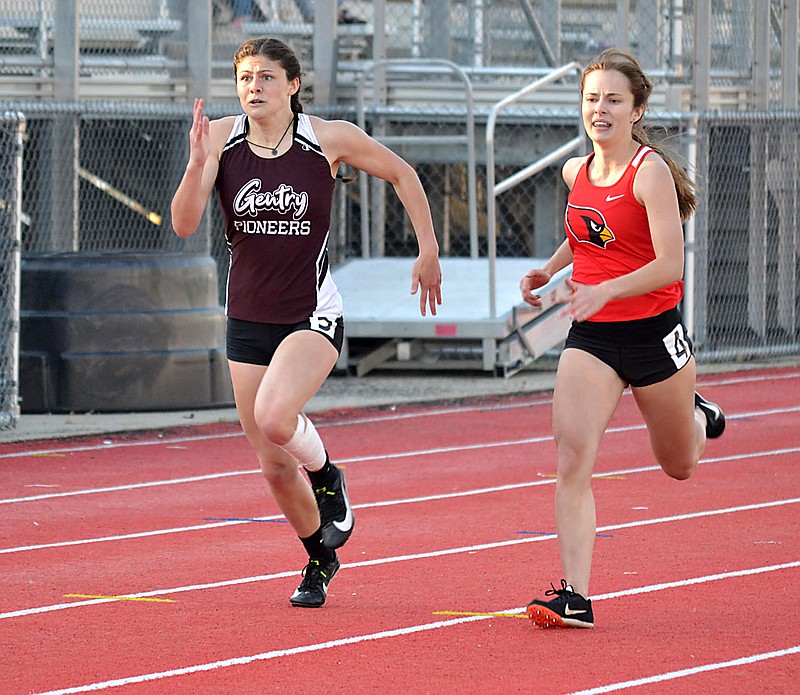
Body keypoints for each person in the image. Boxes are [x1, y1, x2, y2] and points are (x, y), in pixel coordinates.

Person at [171, 37, 442, 608]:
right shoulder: (219, 138)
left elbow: (403, 174)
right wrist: (198, 166)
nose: (254, 88)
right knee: (272, 467)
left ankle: (328, 478)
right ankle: (319, 558)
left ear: (292, 84)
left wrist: (428, 249)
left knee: (275, 417)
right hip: (246, 317)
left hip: (310, 313)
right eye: (245, 78)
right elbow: (183, 224)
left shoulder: (327, 138)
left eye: (267, 77)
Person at [519, 48, 725, 629]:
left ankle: (695, 415)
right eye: (592, 99)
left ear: (636, 110)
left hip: (653, 335)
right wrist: (551, 269)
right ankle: (576, 596)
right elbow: (589, 235)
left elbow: (669, 267)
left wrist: (607, 289)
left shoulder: (649, 172)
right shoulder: (575, 171)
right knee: (571, 457)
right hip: (592, 338)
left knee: (678, 464)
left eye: (613, 100)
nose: (600, 109)